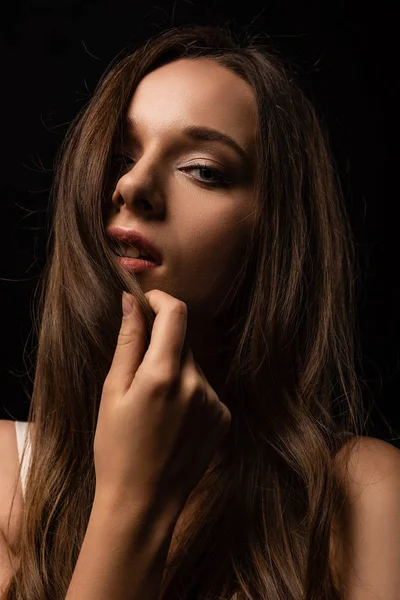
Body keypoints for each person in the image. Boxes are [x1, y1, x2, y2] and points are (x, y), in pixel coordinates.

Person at [2, 23, 400, 600]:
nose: (133, 184)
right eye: (119, 156)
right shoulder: (6, 485)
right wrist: (133, 500)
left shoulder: (369, 498)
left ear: (274, 234)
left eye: (203, 170)